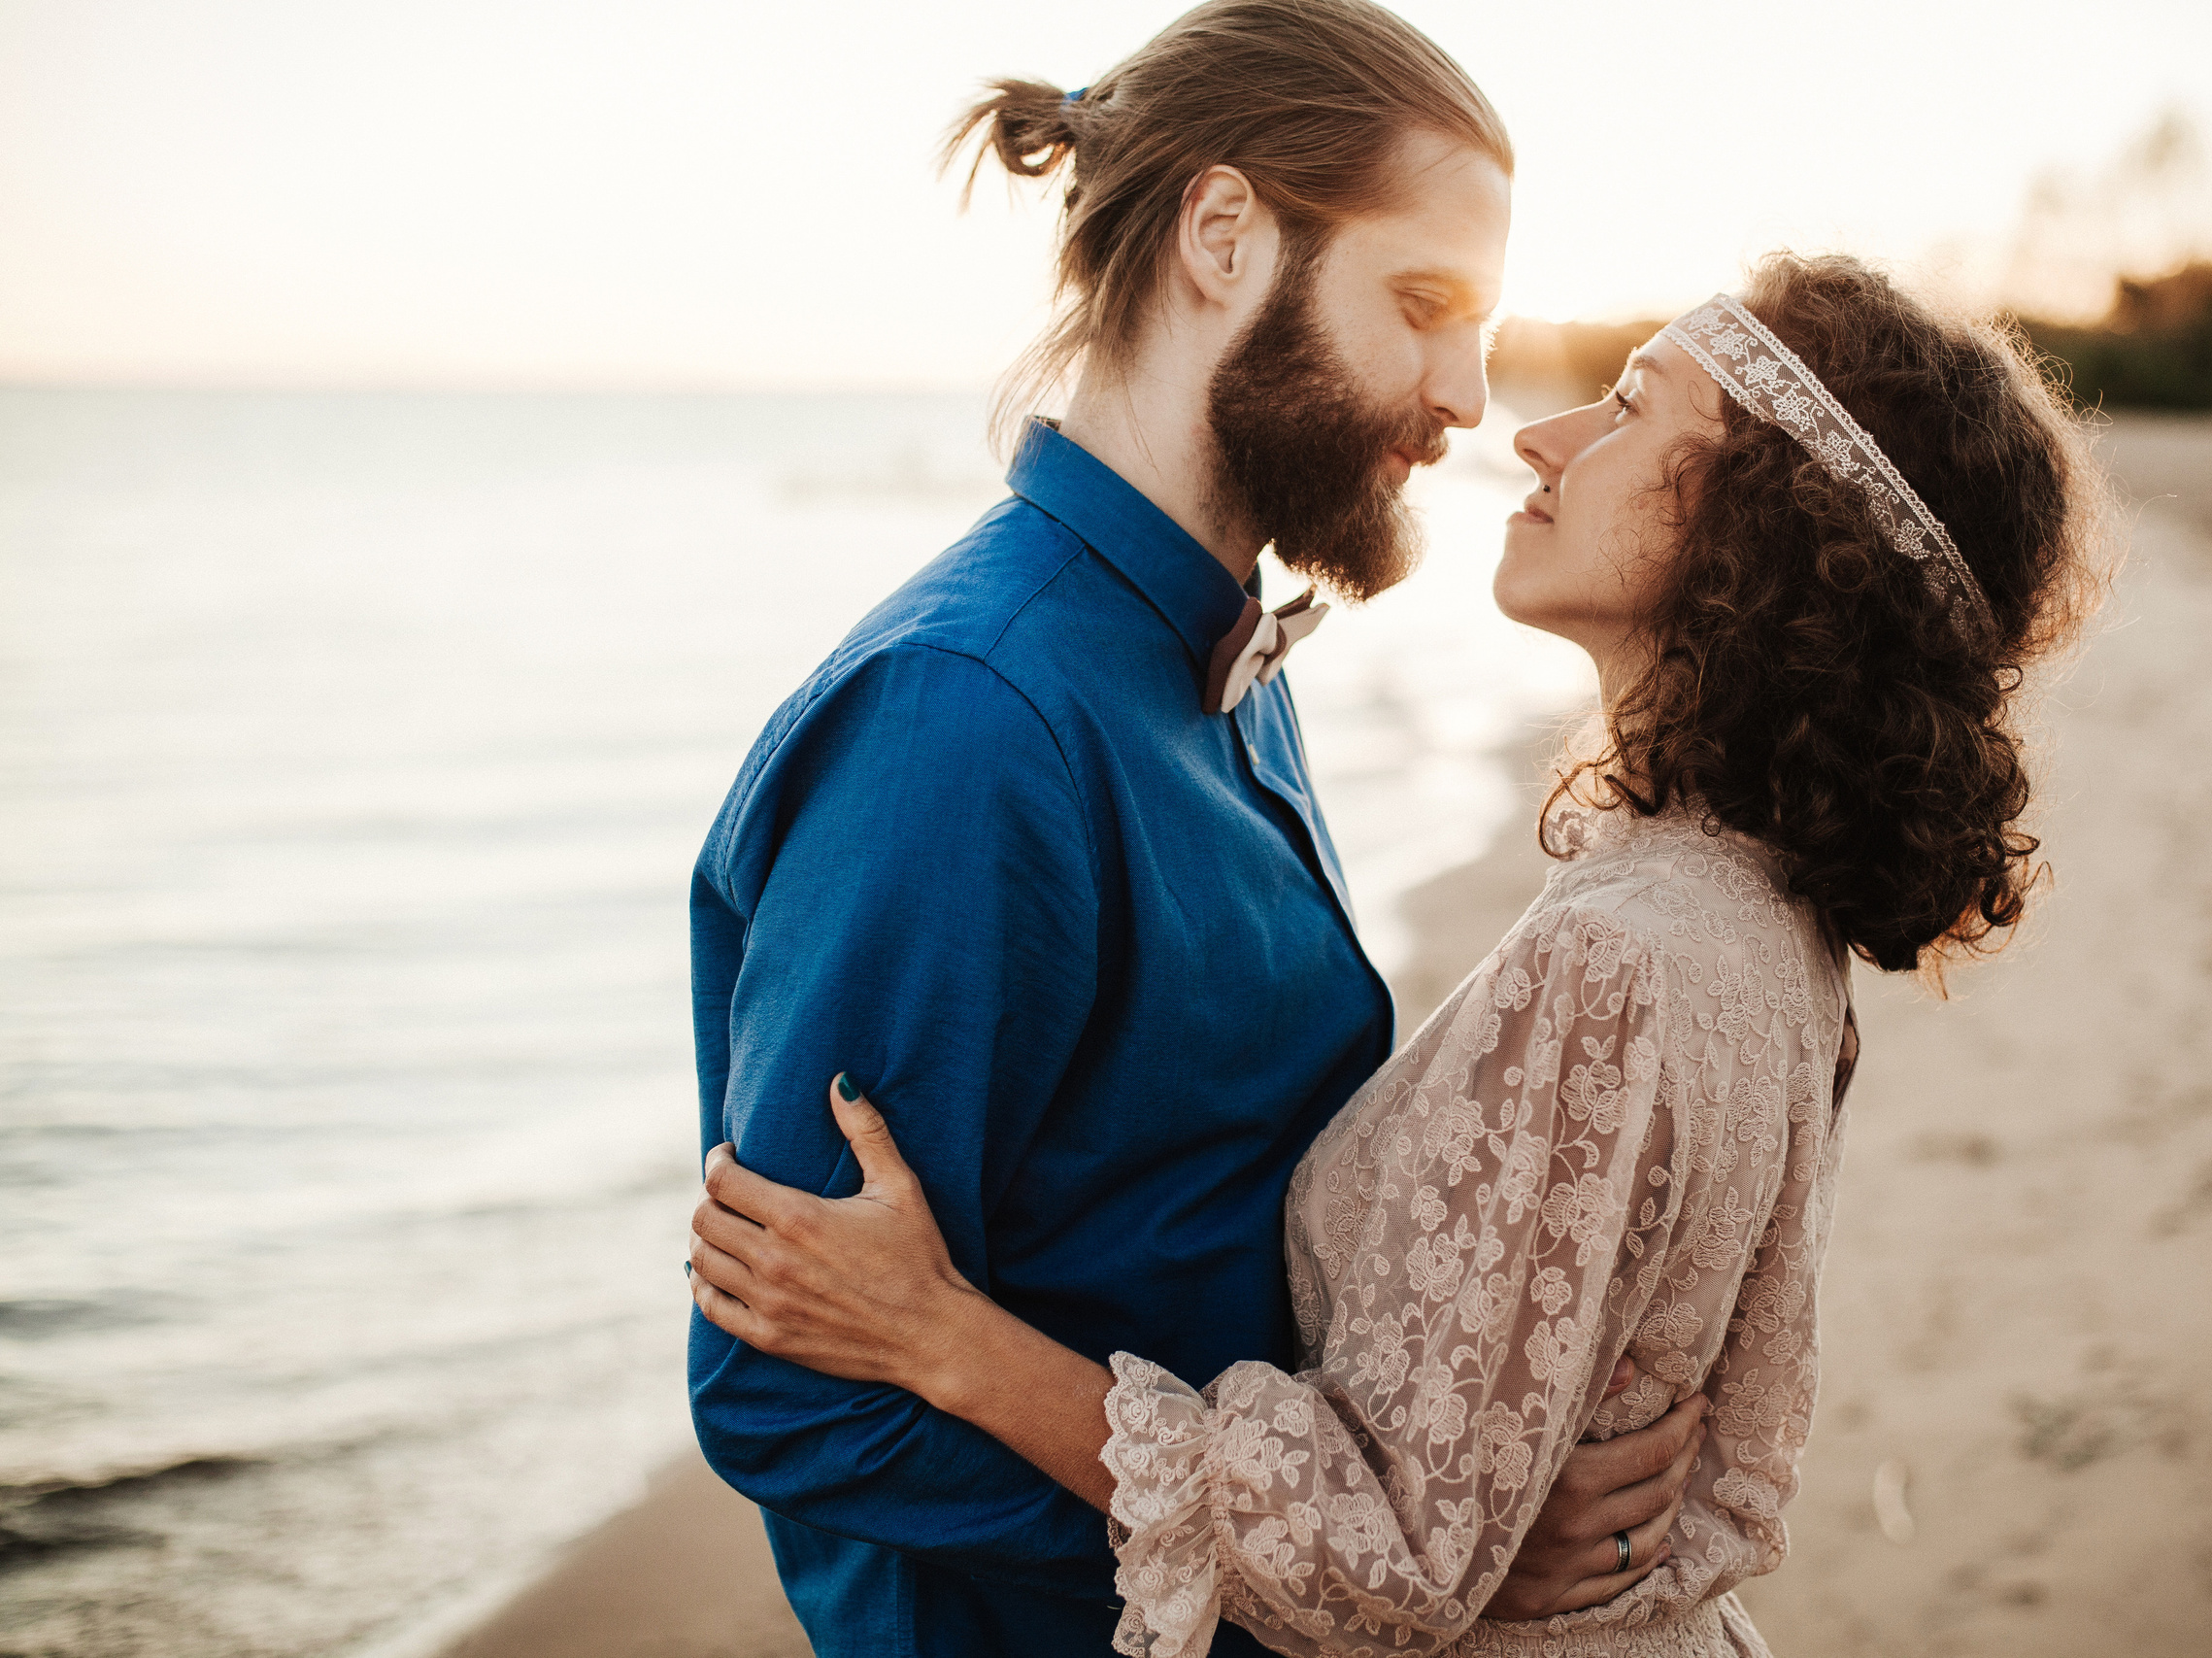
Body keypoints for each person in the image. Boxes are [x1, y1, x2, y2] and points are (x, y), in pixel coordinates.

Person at [687, 253, 2113, 1657]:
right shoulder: (1759, 910)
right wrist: (1485, 1516)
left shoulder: (1626, 957)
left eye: (1628, 408)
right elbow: (1463, 1492)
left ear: (1770, 530)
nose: (1533, 433)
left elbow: (1392, 1556)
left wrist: (948, 1339)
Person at [685, 4, 1712, 1654]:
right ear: (1224, 236)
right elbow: (791, 1398)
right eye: (1424, 304)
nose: (1466, 391)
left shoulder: (1218, 653)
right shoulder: (970, 722)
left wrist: (1438, 1500)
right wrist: (1359, 1573)